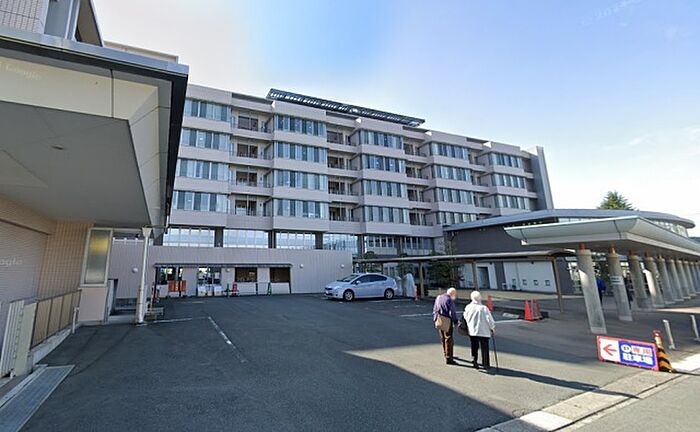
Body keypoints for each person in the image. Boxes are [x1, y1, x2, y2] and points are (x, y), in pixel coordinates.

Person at [463, 291, 496, 370]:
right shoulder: (483, 308)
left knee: (474, 346)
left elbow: (465, 317)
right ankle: (485, 364)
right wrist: (492, 328)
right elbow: (489, 319)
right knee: (484, 348)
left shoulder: (468, 307)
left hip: (472, 330)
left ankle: (474, 360)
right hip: (483, 331)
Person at [433, 287, 459, 365]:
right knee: (448, 338)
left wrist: (435, 318)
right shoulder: (449, 300)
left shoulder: (438, 297)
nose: (455, 296)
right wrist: (455, 321)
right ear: (452, 294)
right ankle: (449, 357)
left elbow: (435, 309)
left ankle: (446, 353)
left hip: (439, 319)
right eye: (455, 294)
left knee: (443, 338)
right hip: (447, 320)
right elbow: (452, 312)